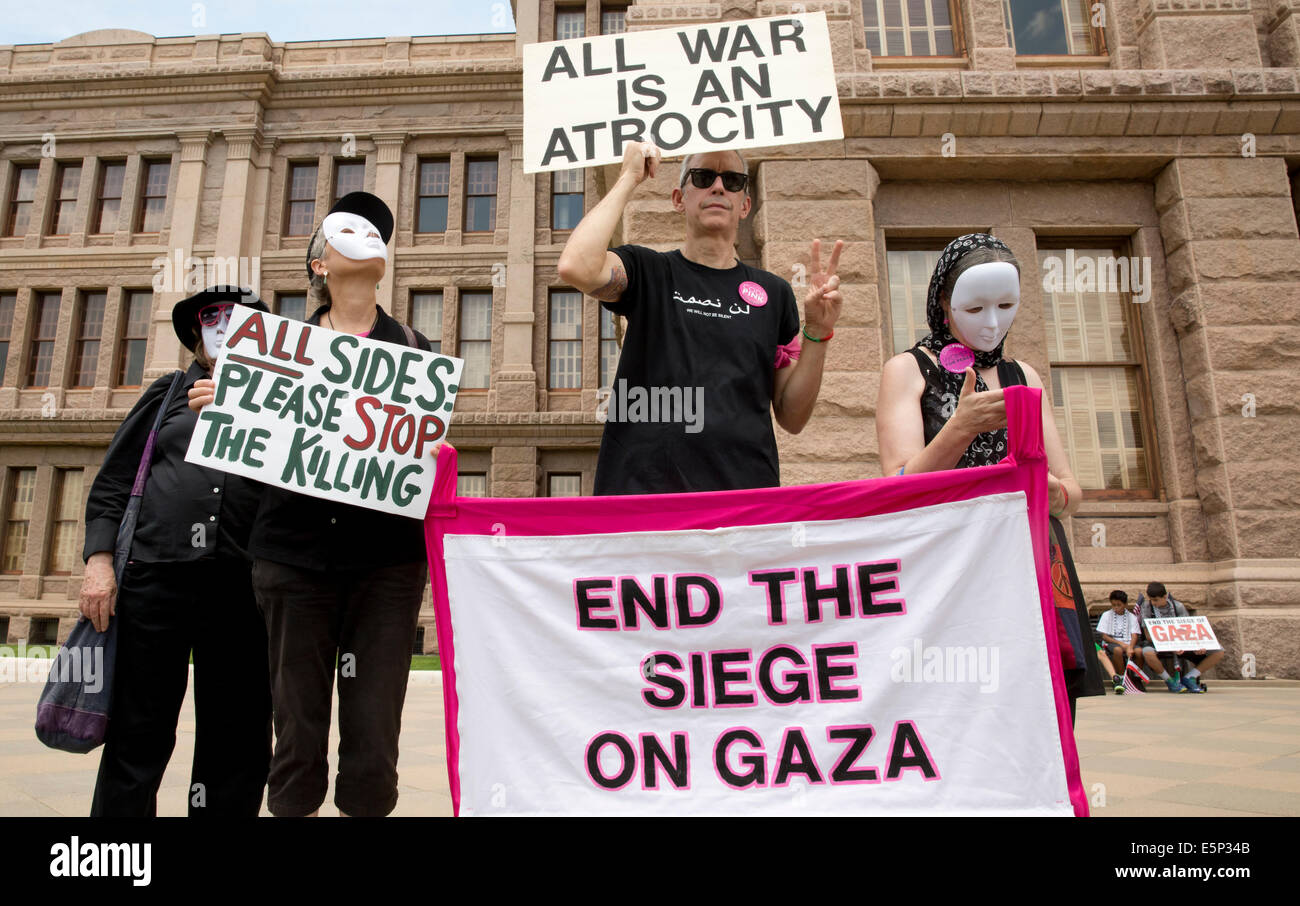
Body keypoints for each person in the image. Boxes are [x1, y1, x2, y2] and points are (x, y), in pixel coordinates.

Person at [190, 192, 431, 817]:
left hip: (386, 568)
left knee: (375, 739)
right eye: (347, 231)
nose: (367, 236)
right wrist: (228, 403)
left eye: (378, 232)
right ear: (319, 265)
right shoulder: (272, 348)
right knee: (296, 734)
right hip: (292, 562)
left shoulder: (415, 348)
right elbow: (253, 445)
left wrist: (432, 448)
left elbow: (419, 458)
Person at [874, 233, 1102, 721]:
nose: (993, 322)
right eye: (975, 308)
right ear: (944, 301)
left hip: (1032, 561)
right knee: (961, 716)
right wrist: (961, 427)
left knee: (1043, 711)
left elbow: (1071, 490)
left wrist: (1052, 490)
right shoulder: (909, 369)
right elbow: (897, 486)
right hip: (951, 568)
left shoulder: (1025, 375)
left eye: (1006, 305)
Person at [80, 286, 272, 816]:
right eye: (213, 319)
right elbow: (114, 483)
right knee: (138, 729)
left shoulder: (283, 407)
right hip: (155, 580)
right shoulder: (165, 395)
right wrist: (99, 564)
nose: (224, 326)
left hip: (243, 588)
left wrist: (247, 406)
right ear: (196, 335)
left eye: (239, 320)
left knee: (236, 735)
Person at [557, 141, 844, 494]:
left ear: (745, 205)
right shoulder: (648, 271)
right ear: (679, 199)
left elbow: (793, 417)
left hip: (743, 502)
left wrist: (817, 331)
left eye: (733, 181)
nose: (719, 186)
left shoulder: (774, 293)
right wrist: (629, 178)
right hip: (644, 498)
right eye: (704, 176)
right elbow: (576, 267)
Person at [1137, 581, 1222, 693]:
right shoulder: (1146, 607)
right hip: (1158, 643)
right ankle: (1170, 681)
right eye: (1151, 600)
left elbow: (1188, 629)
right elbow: (1148, 636)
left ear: (1165, 596)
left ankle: (1190, 677)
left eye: (1156, 600)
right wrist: (1169, 645)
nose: (1153, 603)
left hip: (1182, 643)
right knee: (1147, 652)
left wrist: (1198, 645)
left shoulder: (1178, 606)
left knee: (1218, 651)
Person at [1095, 590, 1142, 694]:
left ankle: (1136, 677)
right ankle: (1120, 678)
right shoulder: (1106, 615)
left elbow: (1135, 635)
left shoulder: (1131, 617)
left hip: (1129, 643)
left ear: (1125, 604)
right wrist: (1121, 644)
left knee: (1139, 651)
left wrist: (1130, 647)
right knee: (1118, 650)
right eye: (1114, 605)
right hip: (1113, 643)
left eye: (1119, 605)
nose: (1116, 607)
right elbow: (1104, 636)